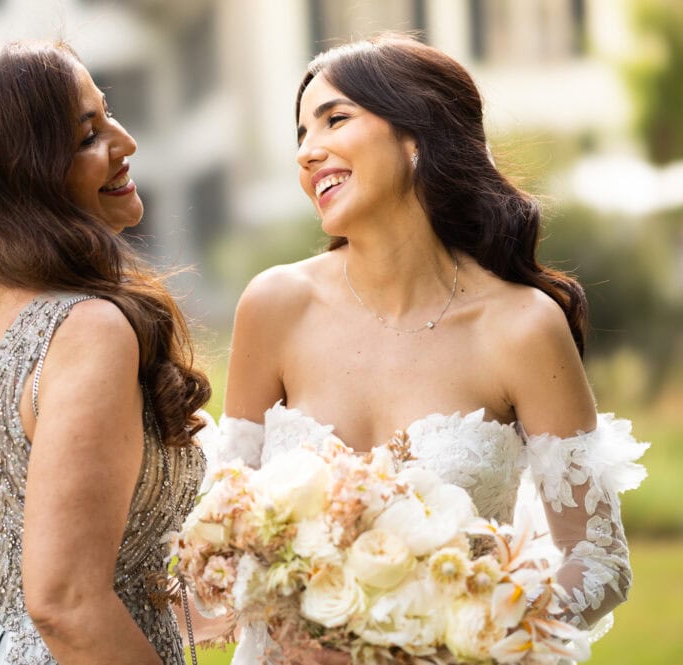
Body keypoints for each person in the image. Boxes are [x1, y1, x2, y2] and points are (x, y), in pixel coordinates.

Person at [216, 34, 647, 664]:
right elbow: (225, 526)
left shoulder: (522, 327)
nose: (308, 152)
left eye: (335, 119)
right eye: (301, 135)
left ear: (417, 137)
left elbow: (599, 560)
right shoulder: (274, 306)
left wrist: (463, 629)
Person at [0, 41, 211, 665]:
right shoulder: (88, 327)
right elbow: (65, 604)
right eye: (86, 138)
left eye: (108, 115)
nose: (125, 143)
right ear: (21, 174)